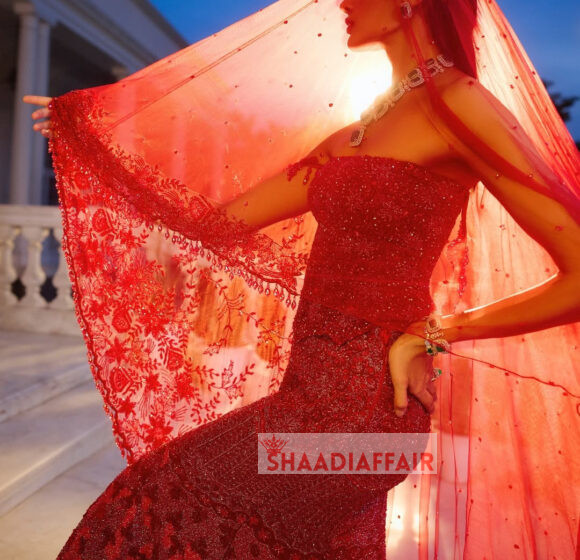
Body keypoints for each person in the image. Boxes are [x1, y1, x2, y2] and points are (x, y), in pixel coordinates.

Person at [24, 0, 580, 558]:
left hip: (366, 423)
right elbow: (218, 222)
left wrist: (431, 335)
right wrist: (92, 137)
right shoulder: (356, 133)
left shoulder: (458, 103)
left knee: (145, 508)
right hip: (309, 402)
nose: (342, 3)